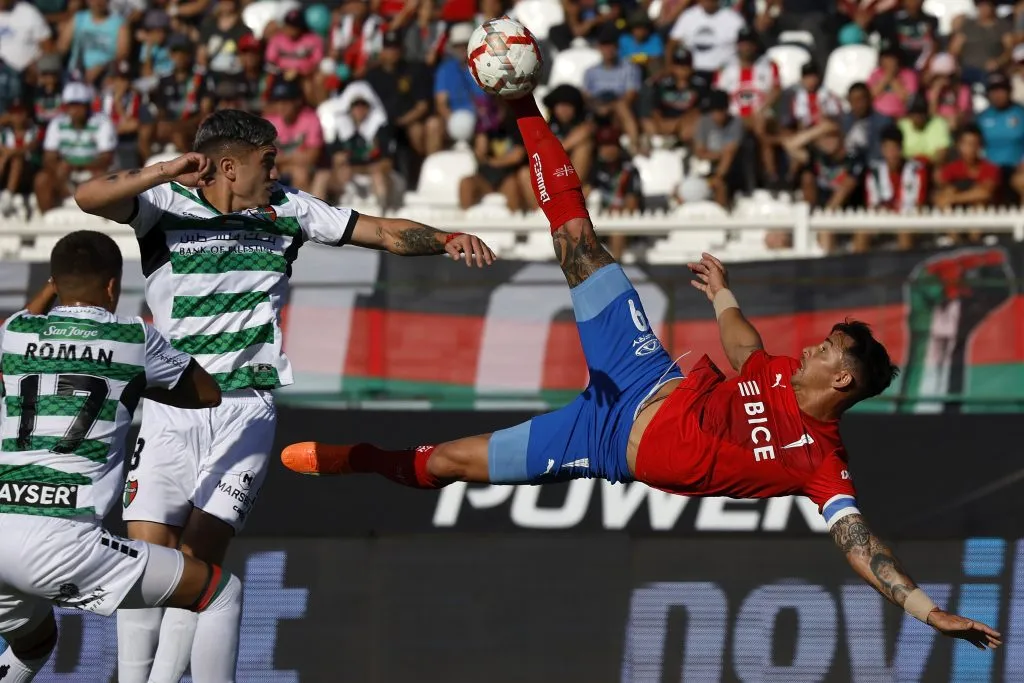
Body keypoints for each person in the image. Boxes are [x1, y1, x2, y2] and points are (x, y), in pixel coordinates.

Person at [281, 94, 1004, 653]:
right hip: (641, 370)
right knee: (578, 242)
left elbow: (861, 544)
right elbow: (746, 347)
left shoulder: (820, 465)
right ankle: (521, 105)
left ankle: (361, 459)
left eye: (827, 349)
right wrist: (722, 292)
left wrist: (922, 607)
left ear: (844, 381)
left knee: (446, 462)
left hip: (602, 443)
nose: (813, 348)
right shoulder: (783, 372)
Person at [72, 108, 496, 683]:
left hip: (245, 409)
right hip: (170, 408)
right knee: (148, 557)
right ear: (227, 166)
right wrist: (168, 169)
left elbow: (381, 231)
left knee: (196, 565)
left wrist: (446, 238)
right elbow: (88, 198)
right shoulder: (164, 206)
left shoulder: (289, 210)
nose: (278, 171)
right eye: (266, 161)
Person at [0, 230, 240, 683]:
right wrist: (133, 385)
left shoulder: (15, 331)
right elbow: (208, 394)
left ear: (55, 282)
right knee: (221, 592)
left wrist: (52, 292)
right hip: (63, 541)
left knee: (34, 643)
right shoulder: (133, 336)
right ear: (113, 286)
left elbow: (27, 328)